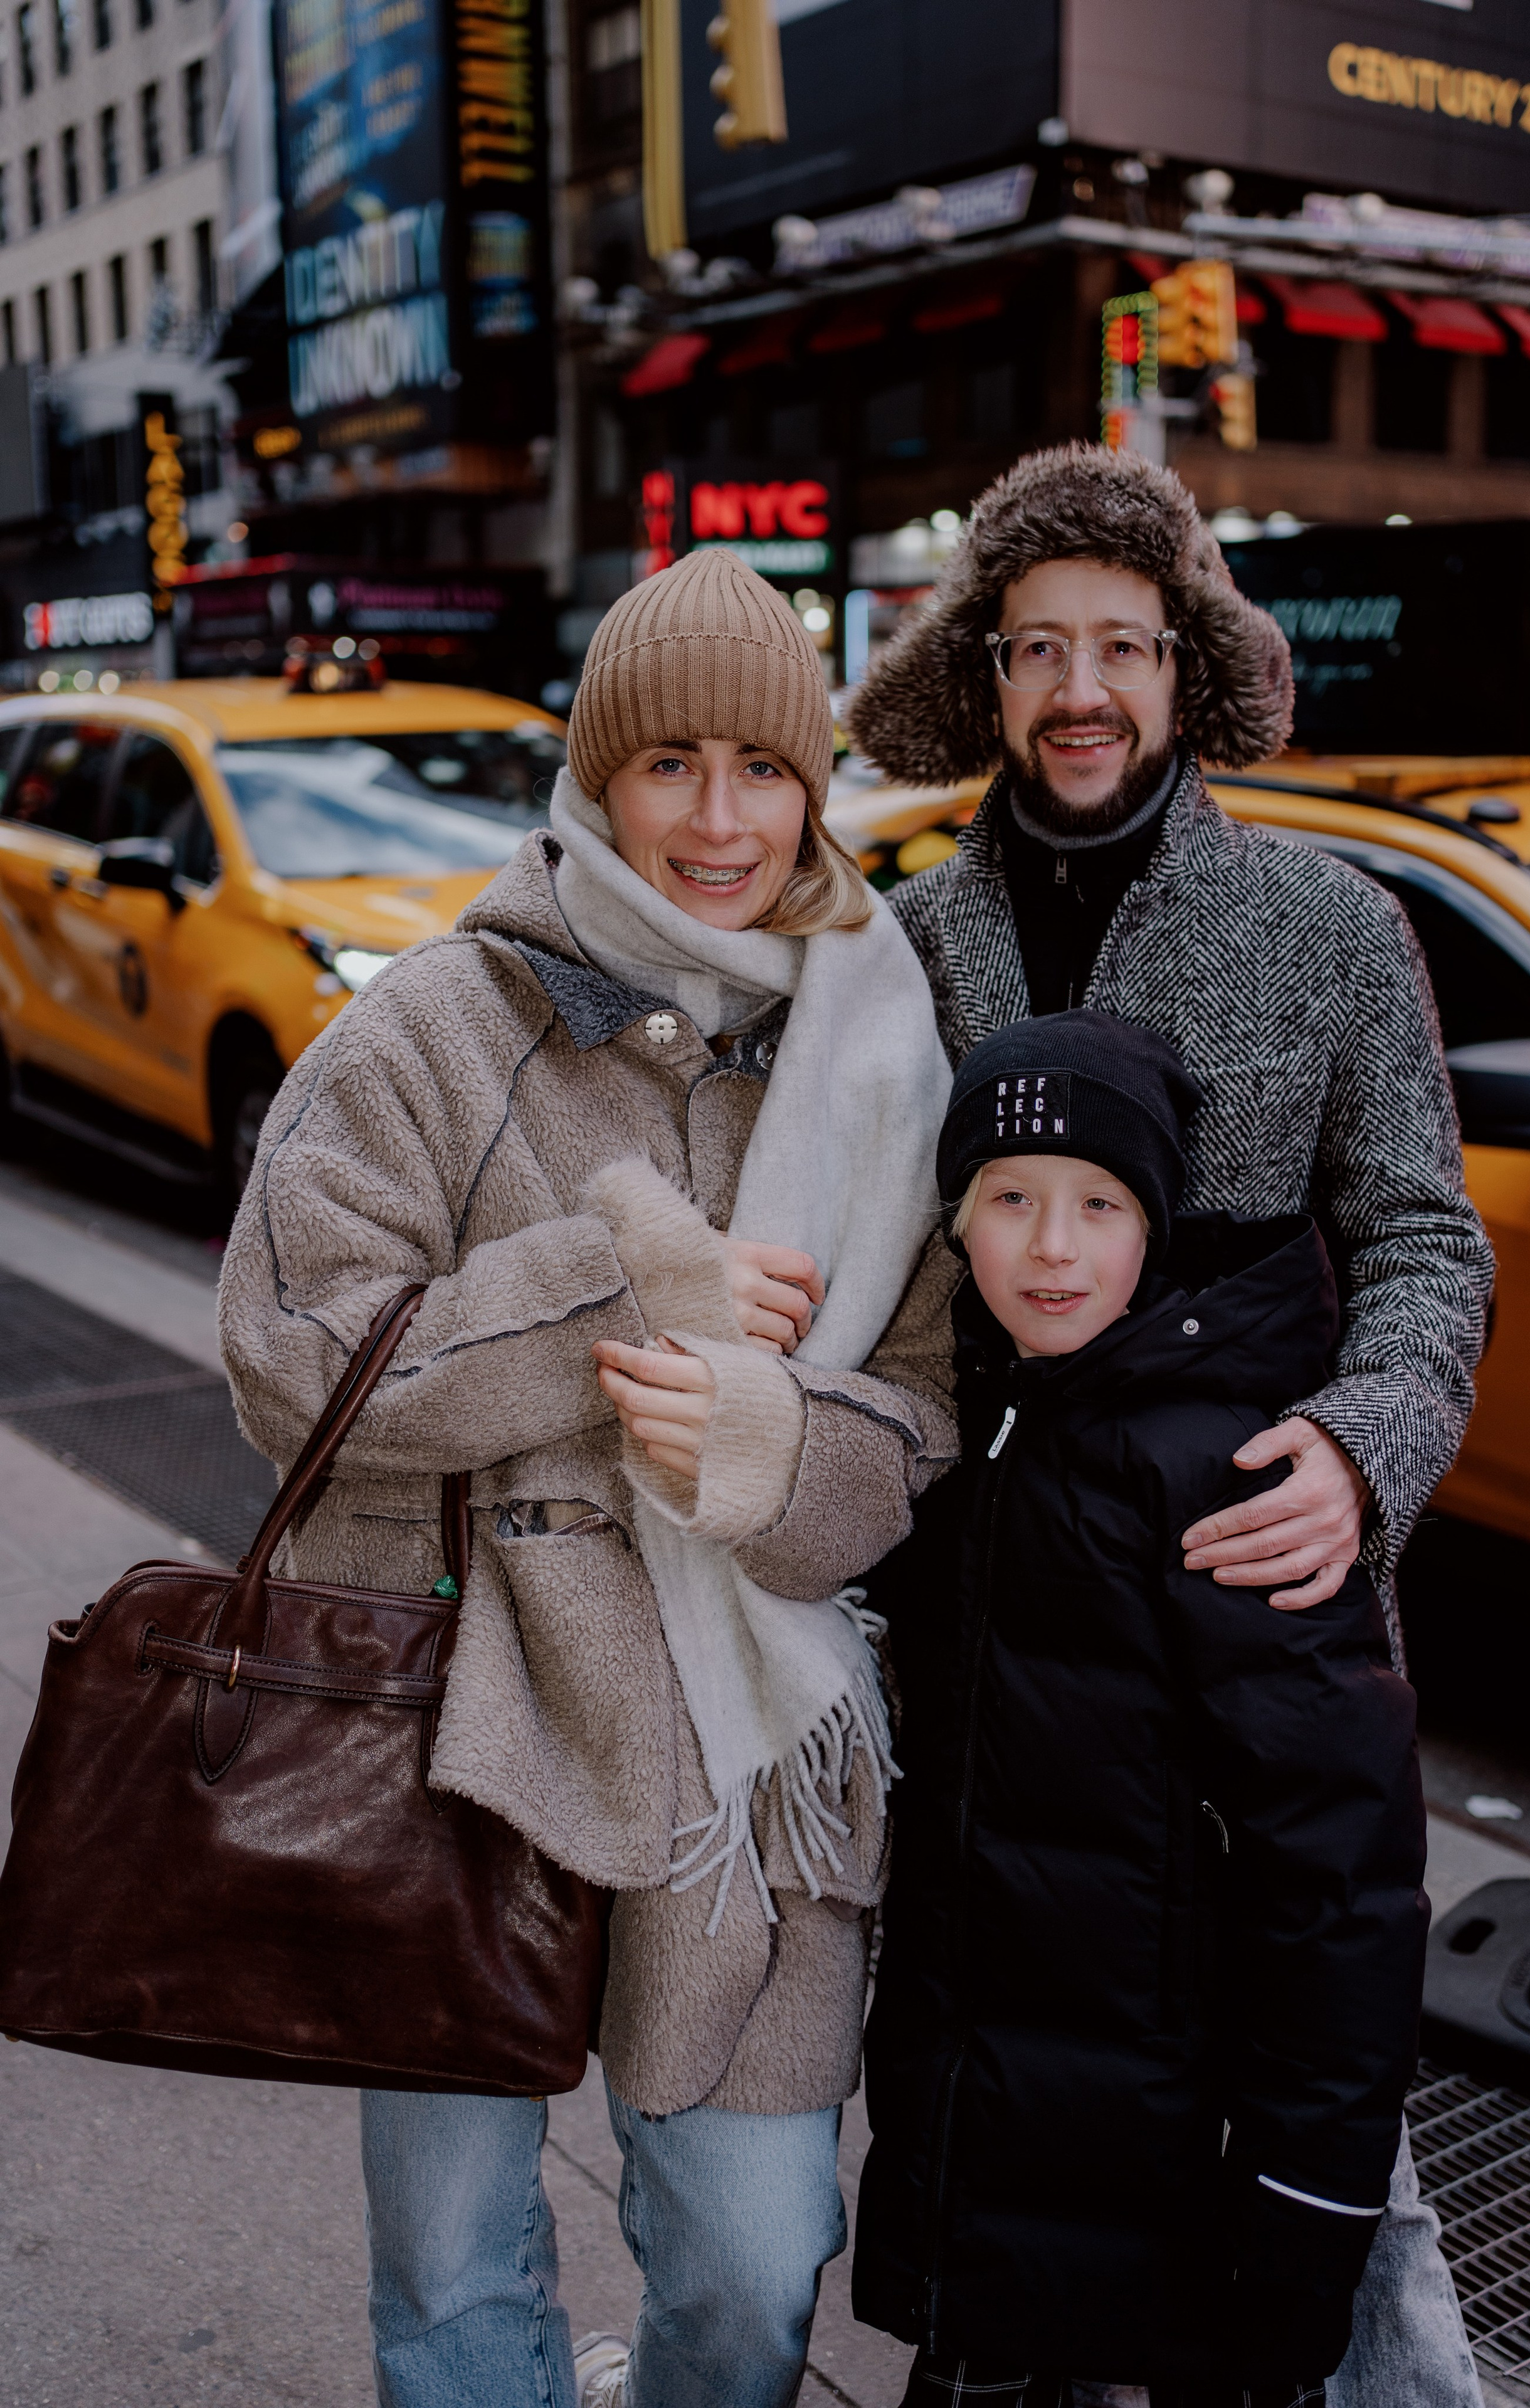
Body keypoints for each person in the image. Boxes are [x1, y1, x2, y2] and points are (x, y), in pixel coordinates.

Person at [218, 546, 960, 2408]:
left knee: (754, 2261)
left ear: (814, 783)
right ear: (596, 778)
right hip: (465, 1736)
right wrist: (620, 1285)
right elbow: (290, 1349)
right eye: (670, 765)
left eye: (766, 768)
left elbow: (929, 1403)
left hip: (748, 1772)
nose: (722, 819)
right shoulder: (437, 1024)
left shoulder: (874, 1034)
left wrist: (781, 1448)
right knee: (457, 2279)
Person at [849, 441, 1494, 2407]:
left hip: (1242, 1631)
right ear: (981, 675)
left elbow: (1422, 1238)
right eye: (1037, 647)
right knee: (1018, 2120)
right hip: (992, 1649)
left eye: (1122, 644)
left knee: (1326, 2163)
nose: (1080, 692)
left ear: (1187, 669)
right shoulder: (904, 943)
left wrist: (1371, 1443)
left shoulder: (1327, 922)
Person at [853, 1008, 1429, 2408]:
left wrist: (1307, 2197)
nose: (1051, 1248)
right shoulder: (969, 1439)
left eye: (1098, 1204)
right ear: (955, 1222)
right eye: (1008, 1199)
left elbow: (1340, 1868)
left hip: (1164, 2165)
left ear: (1153, 1224)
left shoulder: (1223, 1478)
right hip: (987, 2150)